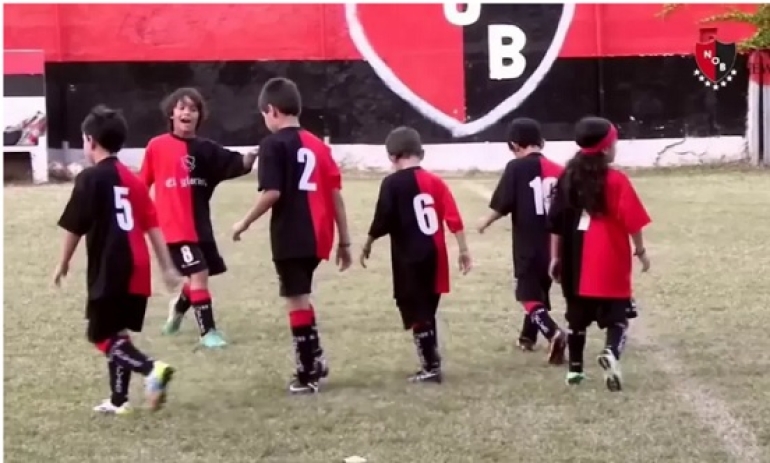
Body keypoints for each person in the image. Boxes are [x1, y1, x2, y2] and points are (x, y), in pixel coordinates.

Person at [53, 105, 183, 414]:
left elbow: (75, 226)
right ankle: (118, 400)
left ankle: (151, 369)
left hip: (111, 265)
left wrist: (63, 262)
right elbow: (152, 226)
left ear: (90, 140)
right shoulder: (134, 180)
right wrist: (166, 266)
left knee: (99, 334)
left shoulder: (90, 179)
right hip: (137, 265)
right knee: (119, 331)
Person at [231, 77, 352, 394]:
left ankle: (307, 373)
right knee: (301, 294)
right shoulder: (318, 145)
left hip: (291, 234)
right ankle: (316, 360)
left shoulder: (272, 144)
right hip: (318, 233)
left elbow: (272, 192)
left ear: (271, 110)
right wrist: (345, 240)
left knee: (295, 299)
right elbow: (335, 193)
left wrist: (243, 223)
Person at [139, 87, 258, 348]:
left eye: (193, 109)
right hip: (173, 230)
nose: (187, 113)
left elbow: (237, 163)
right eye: (182, 107)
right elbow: (141, 185)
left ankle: (178, 311)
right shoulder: (156, 147)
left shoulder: (207, 150)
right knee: (200, 272)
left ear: (199, 116)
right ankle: (208, 333)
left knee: (196, 277)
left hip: (200, 228)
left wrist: (254, 156)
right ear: (172, 113)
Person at [360, 126, 472, 384]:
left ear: (392, 156)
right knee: (427, 308)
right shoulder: (436, 182)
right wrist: (463, 250)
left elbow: (383, 219)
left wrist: (368, 243)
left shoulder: (391, 183)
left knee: (417, 310)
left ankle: (430, 366)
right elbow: (453, 217)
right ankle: (431, 359)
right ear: (421, 153)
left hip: (410, 257)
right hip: (435, 254)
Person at [547, 116, 651, 391]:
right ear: (605, 148)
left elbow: (556, 222)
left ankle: (575, 371)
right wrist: (640, 251)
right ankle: (610, 353)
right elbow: (633, 221)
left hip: (574, 259)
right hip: (609, 258)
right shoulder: (616, 180)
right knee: (617, 318)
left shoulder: (566, 177)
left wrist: (555, 257)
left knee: (577, 318)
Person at [477, 118, 567, 364]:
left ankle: (553, 332)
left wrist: (485, 221)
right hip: (556, 244)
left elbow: (503, 204)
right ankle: (527, 338)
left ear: (515, 145)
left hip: (529, 242)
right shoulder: (559, 170)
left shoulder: (515, 168)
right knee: (540, 290)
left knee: (527, 295)